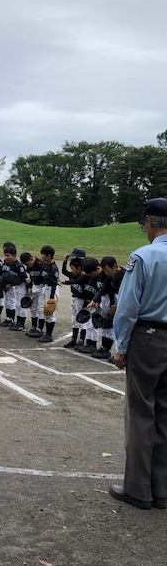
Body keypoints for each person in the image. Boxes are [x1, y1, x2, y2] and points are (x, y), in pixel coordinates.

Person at [109, 198, 167, 510]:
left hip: (149, 337)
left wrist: (121, 347)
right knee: (165, 416)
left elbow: (128, 307)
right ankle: (162, 489)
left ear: (150, 222)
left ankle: (138, 488)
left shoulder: (143, 256)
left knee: (141, 412)